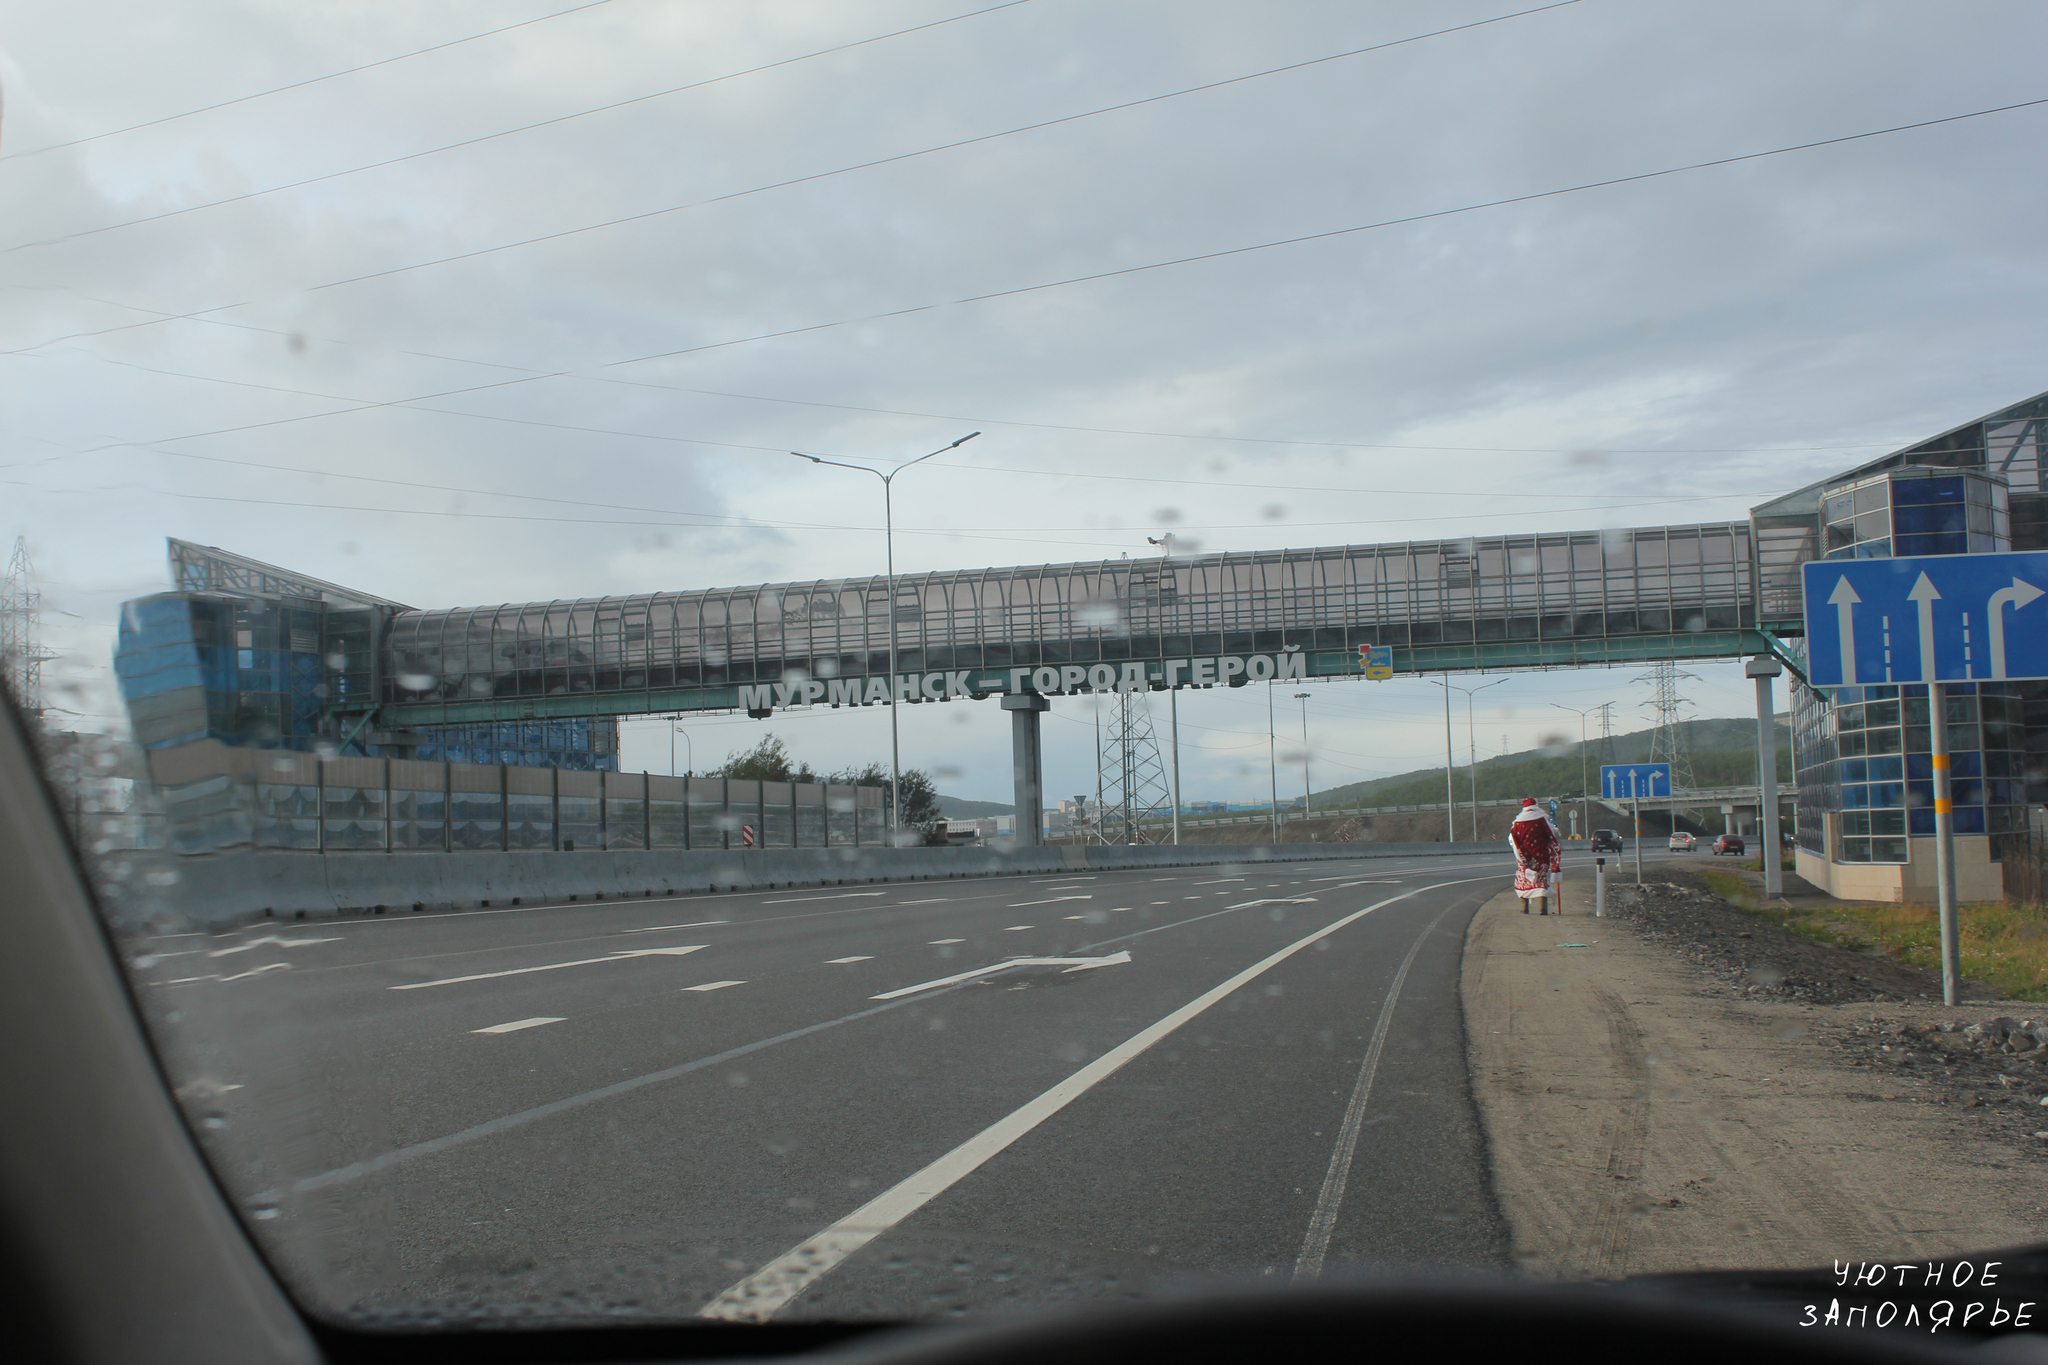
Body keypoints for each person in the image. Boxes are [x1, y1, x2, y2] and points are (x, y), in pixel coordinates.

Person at [1509, 796, 1562, 915]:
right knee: (1540, 880)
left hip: (1524, 858)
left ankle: (1524, 908)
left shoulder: (1517, 822)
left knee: (1524, 880)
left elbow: (1511, 839)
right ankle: (1542, 909)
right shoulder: (1541, 819)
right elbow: (1552, 833)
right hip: (1540, 856)